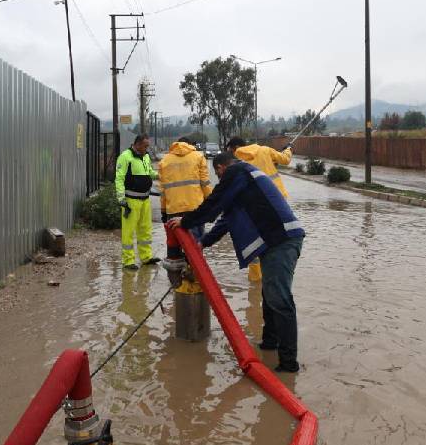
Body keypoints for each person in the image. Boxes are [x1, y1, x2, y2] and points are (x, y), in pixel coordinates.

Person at [168, 153, 306, 372]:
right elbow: (225, 220)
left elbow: (213, 204)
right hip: (277, 241)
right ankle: (270, 343)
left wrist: (186, 221)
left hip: (281, 241)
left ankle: (289, 364)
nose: (219, 178)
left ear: (222, 167)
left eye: (217, 174)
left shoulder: (237, 171)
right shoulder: (245, 180)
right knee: (269, 294)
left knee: (280, 299)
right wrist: (203, 242)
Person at [224, 136, 294, 282]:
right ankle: (275, 275)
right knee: (277, 241)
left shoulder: (235, 162)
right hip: (278, 203)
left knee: (255, 241)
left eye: (230, 150)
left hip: (254, 207)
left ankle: (255, 281)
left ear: (235, 148)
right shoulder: (265, 150)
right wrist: (288, 149)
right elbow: (285, 160)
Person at [157, 136, 211, 262]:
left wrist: (163, 211)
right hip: (195, 209)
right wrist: (210, 203)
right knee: (195, 245)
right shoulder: (198, 156)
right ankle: (194, 274)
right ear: (190, 144)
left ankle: (176, 278)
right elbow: (205, 183)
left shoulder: (164, 161)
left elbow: (163, 190)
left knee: (174, 245)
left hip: (173, 210)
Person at [115, 134, 160, 270]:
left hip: (145, 199)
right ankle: (128, 261)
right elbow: (119, 178)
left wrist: (158, 175)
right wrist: (121, 199)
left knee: (145, 230)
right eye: (145, 146)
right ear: (138, 144)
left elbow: (149, 172)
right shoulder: (125, 156)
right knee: (128, 232)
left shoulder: (145, 156)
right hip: (131, 201)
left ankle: (146, 257)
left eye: (148, 146)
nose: (147, 149)